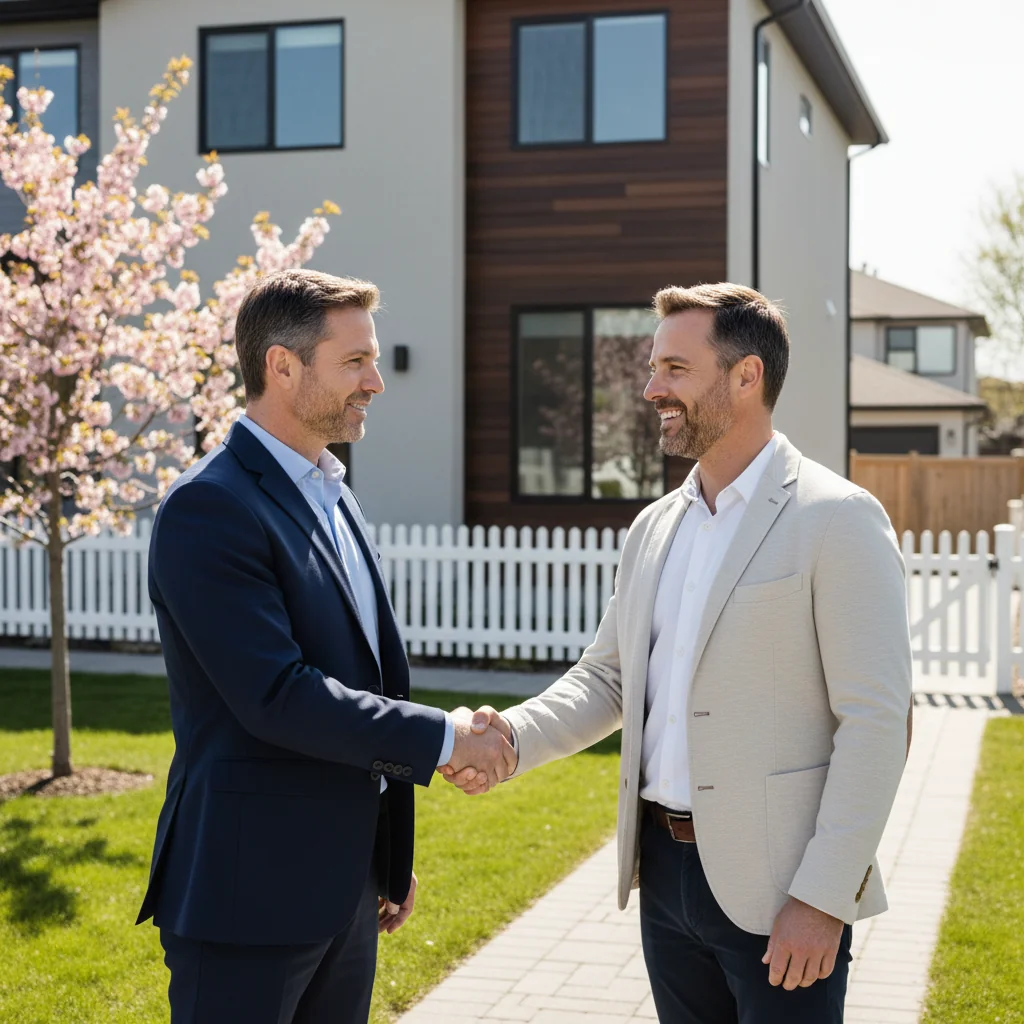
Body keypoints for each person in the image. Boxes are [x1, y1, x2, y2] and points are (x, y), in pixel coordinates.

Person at [443, 282, 913, 1024]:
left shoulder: (838, 519)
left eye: (674, 369)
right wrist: (512, 735)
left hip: (782, 891)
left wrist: (823, 897)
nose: (649, 388)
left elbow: (878, 723)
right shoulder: (654, 528)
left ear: (746, 376)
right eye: (653, 368)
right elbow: (610, 677)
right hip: (662, 877)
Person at [138, 269, 515, 1024]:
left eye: (372, 361)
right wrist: (446, 738)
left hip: (344, 889)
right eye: (354, 362)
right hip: (247, 895)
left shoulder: (334, 492)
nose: (375, 381)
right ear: (281, 366)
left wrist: (386, 856)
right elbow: (278, 696)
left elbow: (367, 674)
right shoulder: (209, 507)